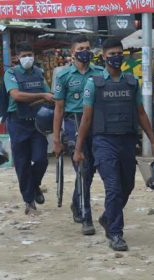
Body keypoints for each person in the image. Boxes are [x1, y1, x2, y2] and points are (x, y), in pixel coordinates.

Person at [73, 37, 154, 251]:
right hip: (103, 142)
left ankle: (108, 217)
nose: (115, 57)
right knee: (113, 187)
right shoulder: (93, 83)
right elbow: (86, 118)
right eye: (111, 54)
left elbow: (141, 113)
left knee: (127, 186)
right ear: (103, 57)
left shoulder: (131, 82)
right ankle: (115, 233)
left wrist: (153, 140)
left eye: (118, 53)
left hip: (127, 141)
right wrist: (78, 148)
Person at [52, 35, 103, 234]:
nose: (85, 51)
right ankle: (86, 216)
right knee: (83, 169)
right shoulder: (63, 76)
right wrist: (56, 139)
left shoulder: (99, 73)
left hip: (95, 124)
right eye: (81, 48)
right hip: (73, 122)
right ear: (72, 53)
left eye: (87, 48)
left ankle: (76, 202)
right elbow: (58, 109)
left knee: (90, 171)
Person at [4, 42, 54, 215]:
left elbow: (49, 94)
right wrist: (41, 96)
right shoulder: (11, 73)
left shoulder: (38, 73)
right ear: (17, 57)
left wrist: (50, 97)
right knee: (22, 164)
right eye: (24, 55)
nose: (28, 58)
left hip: (36, 123)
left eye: (30, 54)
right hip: (17, 122)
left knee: (41, 159)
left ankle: (34, 185)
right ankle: (29, 201)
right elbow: (16, 95)